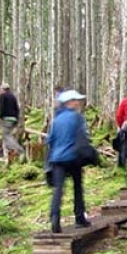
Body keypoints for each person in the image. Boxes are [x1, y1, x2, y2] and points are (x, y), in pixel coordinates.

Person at [47, 89, 92, 233]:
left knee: (58, 189)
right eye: (75, 100)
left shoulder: (56, 120)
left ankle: (55, 219)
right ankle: (80, 218)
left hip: (57, 159)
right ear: (68, 103)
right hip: (73, 157)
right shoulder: (77, 118)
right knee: (77, 187)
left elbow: (50, 139)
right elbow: (83, 136)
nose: (78, 103)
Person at [0, 83, 24, 159]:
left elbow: (2, 107)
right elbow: (17, 108)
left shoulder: (2, 96)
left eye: (1, 89)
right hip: (13, 119)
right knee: (8, 137)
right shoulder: (13, 96)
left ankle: (20, 150)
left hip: (6, 119)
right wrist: (16, 120)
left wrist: (1, 116)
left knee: (6, 136)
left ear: (3, 89)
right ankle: (10, 155)